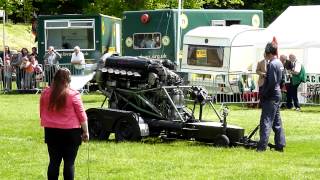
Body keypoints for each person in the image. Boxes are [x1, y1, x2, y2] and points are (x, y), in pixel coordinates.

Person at [40, 68, 89, 180]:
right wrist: (86, 131)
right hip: (71, 132)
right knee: (69, 163)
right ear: (68, 79)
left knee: (53, 162)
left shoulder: (45, 93)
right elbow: (82, 115)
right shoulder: (73, 94)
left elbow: (42, 112)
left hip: (51, 131)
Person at [256, 42, 286, 152]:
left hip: (271, 96)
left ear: (268, 52)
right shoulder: (279, 63)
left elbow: (271, 83)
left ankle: (262, 146)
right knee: (277, 122)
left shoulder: (272, 64)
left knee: (266, 121)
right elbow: (282, 80)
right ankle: (280, 144)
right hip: (277, 94)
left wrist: (264, 93)